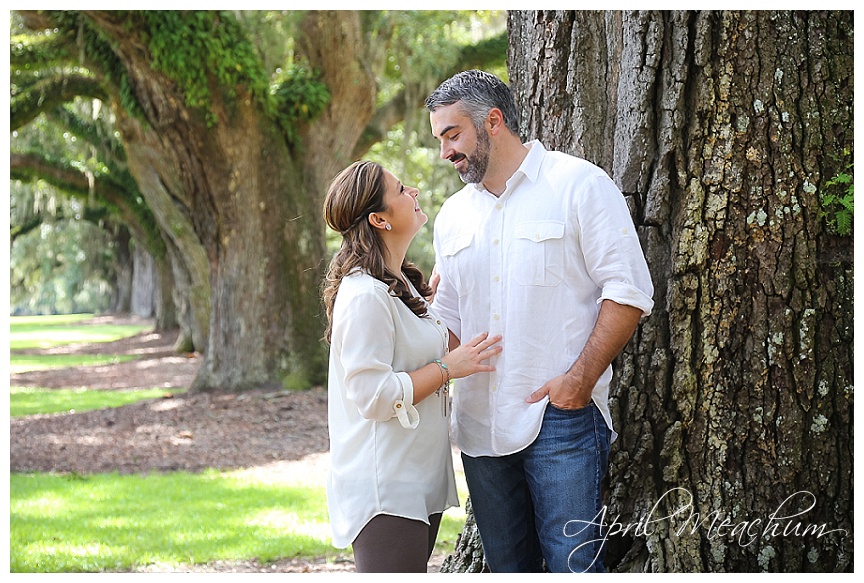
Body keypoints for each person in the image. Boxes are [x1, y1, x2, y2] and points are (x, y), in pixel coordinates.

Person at [425, 70, 654, 573]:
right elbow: (449, 326)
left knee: (575, 569)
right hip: (480, 427)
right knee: (509, 570)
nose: (446, 153)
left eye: (452, 135)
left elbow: (629, 290)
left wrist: (578, 382)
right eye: (440, 139)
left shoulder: (578, 184)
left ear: (494, 121)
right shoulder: (452, 216)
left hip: (561, 419)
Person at [321, 160, 503, 573]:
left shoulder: (397, 285)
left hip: (416, 477)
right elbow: (373, 396)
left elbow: (407, 347)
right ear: (379, 219)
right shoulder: (365, 295)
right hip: (385, 485)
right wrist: (448, 368)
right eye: (401, 190)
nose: (414, 192)